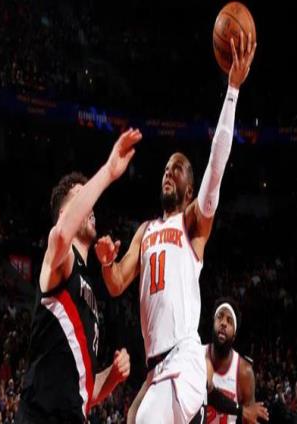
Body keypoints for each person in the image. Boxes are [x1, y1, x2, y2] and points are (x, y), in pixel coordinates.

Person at [95, 33, 256, 423]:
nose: (169, 172)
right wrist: (106, 262)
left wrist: (232, 91)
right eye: (167, 168)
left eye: (178, 169)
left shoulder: (192, 224)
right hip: (157, 368)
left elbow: (216, 166)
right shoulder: (145, 231)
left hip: (183, 360)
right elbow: (115, 284)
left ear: (189, 188)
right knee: (132, 418)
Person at [16, 129, 142, 423]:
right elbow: (61, 234)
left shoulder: (90, 296)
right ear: (64, 214)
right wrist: (108, 171)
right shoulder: (60, 260)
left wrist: (112, 377)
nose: (89, 205)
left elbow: (86, 391)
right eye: (79, 199)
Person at [205, 298, 269, 424]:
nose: (223, 323)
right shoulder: (197, 356)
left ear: (234, 335)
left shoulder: (243, 371)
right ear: (213, 323)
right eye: (220, 317)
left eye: (229, 321)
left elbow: (249, 417)